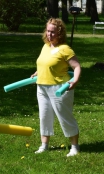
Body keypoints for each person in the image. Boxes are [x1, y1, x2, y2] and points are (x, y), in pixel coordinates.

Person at [31, 18, 82, 157]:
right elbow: (44, 63)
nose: (49, 34)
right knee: (44, 116)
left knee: (64, 117)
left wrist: (75, 80)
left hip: (60, 88)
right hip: (41, 87)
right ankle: (44, 146)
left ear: (60, 33)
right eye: (48, 31)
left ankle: (74, 147)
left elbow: (77, 67)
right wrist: (37, 72)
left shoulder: (65, 49)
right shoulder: (46, 46)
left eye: (53, 32)